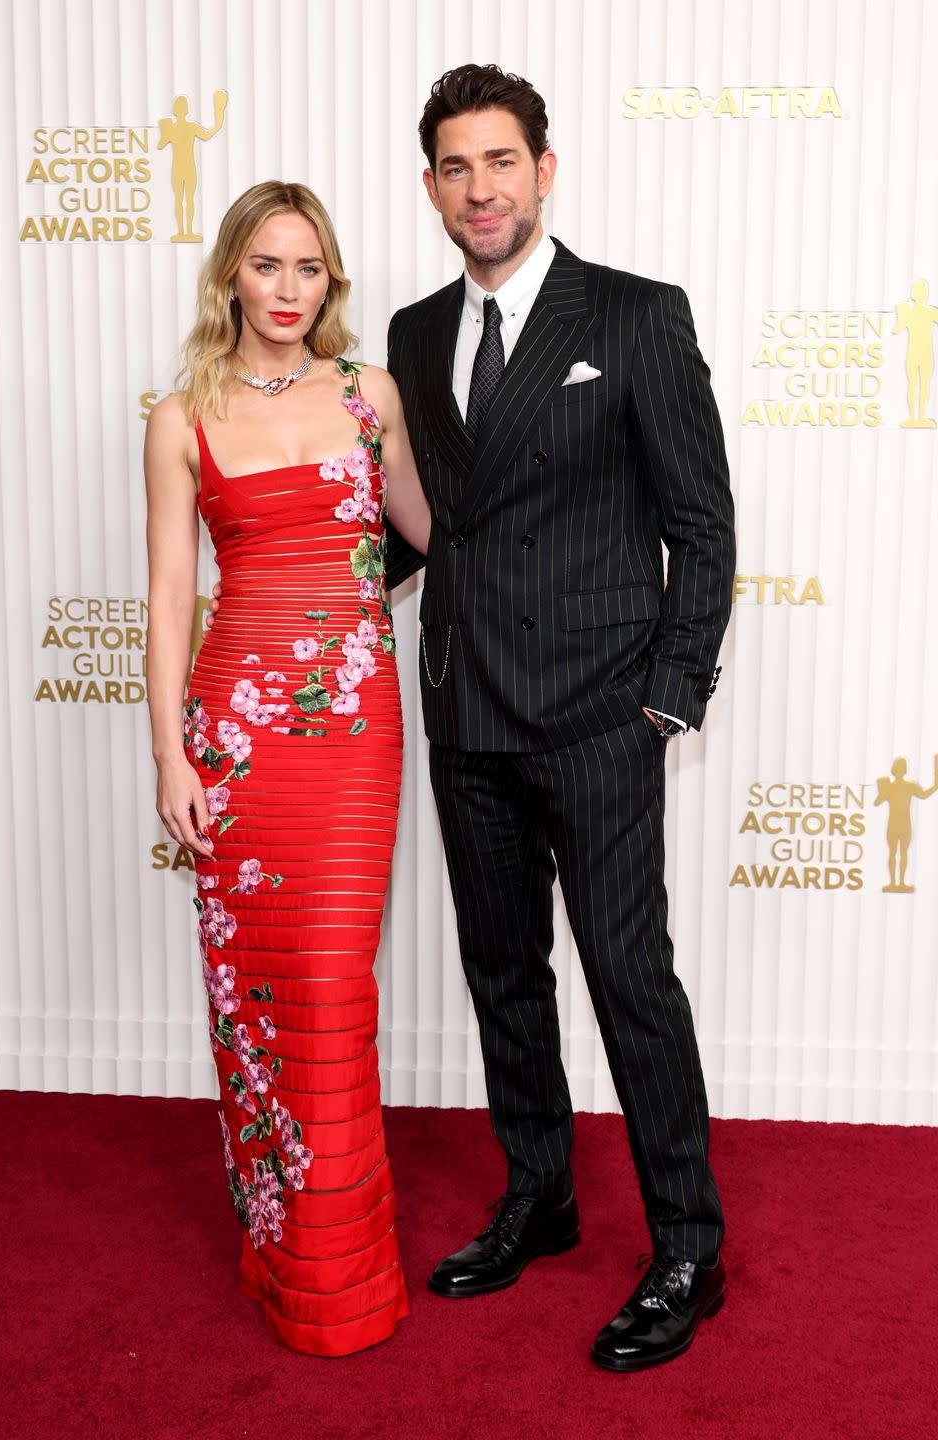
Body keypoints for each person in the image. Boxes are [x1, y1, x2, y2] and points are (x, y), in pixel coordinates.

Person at [383, 64, 736, 1373]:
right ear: (431, 188)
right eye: (456, 169)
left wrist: (668, 694)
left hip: (599, 716)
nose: (482, 189)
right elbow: (430, 529)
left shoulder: (637, 315)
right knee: (501, 975)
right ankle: (539, 1194)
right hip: (468, 708)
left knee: (630, 979)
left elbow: (701, 524)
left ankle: (688, 1246)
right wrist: (310, 589)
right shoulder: (419, 335)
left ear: (545, 169)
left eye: (502, 162)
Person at [144, 180, 429, 1355]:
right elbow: (168, 599)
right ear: (230, 277)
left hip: (352, 734)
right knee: (258, 1003)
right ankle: (289, 1257)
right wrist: (171, 754)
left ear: (331, 282)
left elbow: (425, 531)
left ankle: (344, 1275)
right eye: (266, 266)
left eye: (308, 269)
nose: (287, 289)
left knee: (330, 989)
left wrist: (347, 622)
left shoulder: (372, 396)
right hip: (236, 737)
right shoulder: (179, 415)